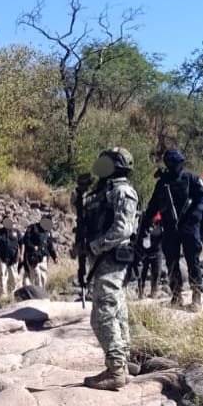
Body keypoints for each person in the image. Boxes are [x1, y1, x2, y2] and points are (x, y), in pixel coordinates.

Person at [79, 147, 140, 390]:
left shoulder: (122, 191)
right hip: (106, 258)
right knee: (116, 310)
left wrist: (95, 247)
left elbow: (122, 229)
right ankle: (121, 365)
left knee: (102, 314)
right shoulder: (106, 191)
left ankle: (115, 369)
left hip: (111, 257)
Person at [141, 148, 203, 309]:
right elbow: (153, 206)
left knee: (193, 260)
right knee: (171, 262)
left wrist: (196, 212)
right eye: (172, 163)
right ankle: (176, 295)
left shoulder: (190, 178)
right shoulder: (162, 184)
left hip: (189, 225)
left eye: (177, 163)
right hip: (170, 227)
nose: (175, 166)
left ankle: (196, 295)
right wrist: (145, 222)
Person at [20, 217, 58, 290]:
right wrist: (33, 247)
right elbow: (26, 240)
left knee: (43, 276)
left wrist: (54, 257)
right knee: (35, 274)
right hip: (33, 256)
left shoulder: (48, 232)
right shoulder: (33, 228)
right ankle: (35, 293)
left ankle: (41, 293)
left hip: (44, 257)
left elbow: (50, 245)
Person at [72, 172, 94, 295]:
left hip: (89, 229)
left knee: (90, 257)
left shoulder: (91, 195)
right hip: (82, 229)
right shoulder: (77, 195)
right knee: (82, 258)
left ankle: (89, 284)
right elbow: (75, 208)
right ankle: (83, 283)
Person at [134, 212, 165, 299]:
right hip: (143, 250)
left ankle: (154, 291)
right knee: (142, 272)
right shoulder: (144, 218)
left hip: (157, 249)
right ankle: (141, 291)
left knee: (156, 272)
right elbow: (138, 233)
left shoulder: (162, 218)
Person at [0, 225, 23, 299]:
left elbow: (22, 243)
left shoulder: (16, 232)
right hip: (2, 257)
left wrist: (22, 255)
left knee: (13, 277)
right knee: (2, 276)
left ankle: (12, 295)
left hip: (14, 258)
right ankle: (3, 297)